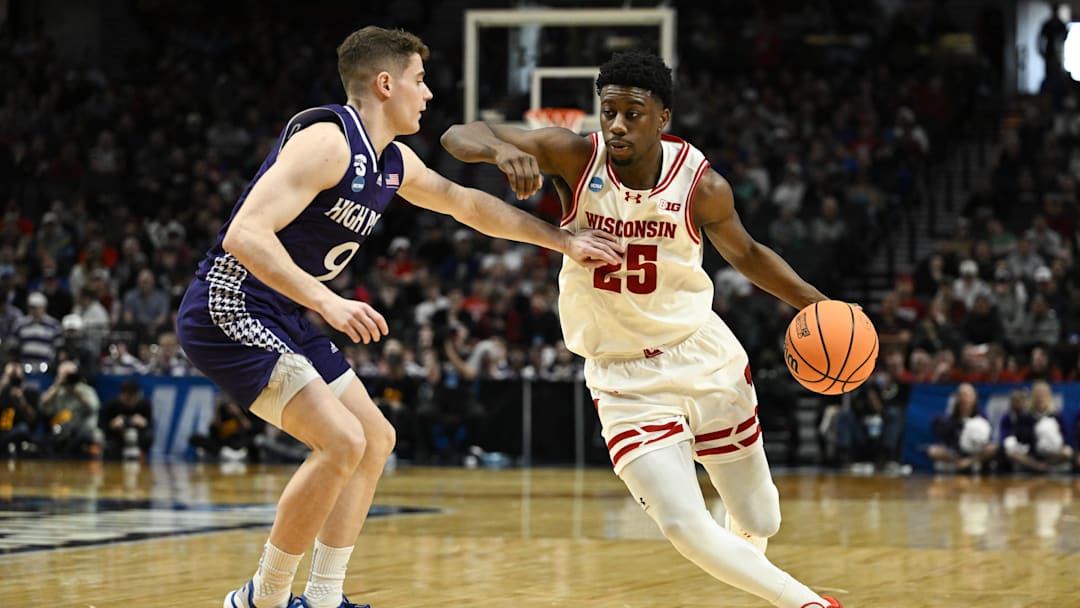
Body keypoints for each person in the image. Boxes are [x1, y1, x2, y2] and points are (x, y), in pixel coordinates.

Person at [174, 26, 623, 608]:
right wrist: (327, 301)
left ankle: (325, 596)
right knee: (340, 441)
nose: (428, 93)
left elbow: (467, 204)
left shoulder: (391, 161)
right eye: (419, 80)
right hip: (227, 304)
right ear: (385, 84)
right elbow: (244, 235)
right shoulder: (328, 142)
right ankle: (263, 597)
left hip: (282, 310)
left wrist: (563, 239)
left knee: (375, 439)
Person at [441, 49, 843, 608]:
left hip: (702, 354)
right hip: (624, 378)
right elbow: (459, 133)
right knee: (684, 524)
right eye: (608, 111)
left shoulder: (702, 186)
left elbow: (747, 254)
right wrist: (503, 148)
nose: (617, 125)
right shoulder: (575, 157)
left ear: (662, 118)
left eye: (632, 113)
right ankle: (807, 603)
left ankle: (753, 571)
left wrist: (817, 305)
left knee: (759, 516)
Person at [99, 379, 153, 460]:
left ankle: (142, 457)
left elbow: (150, 425)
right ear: (121, 395)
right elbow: (101, 424)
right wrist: (112, 424)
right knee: (104, 441)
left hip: (138, 436)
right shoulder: (110, 405)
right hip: (116, 437)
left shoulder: (145, 404)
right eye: (127, 398)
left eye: (134, 398)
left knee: (148, 436)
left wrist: (144, 423)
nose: (131, 401)